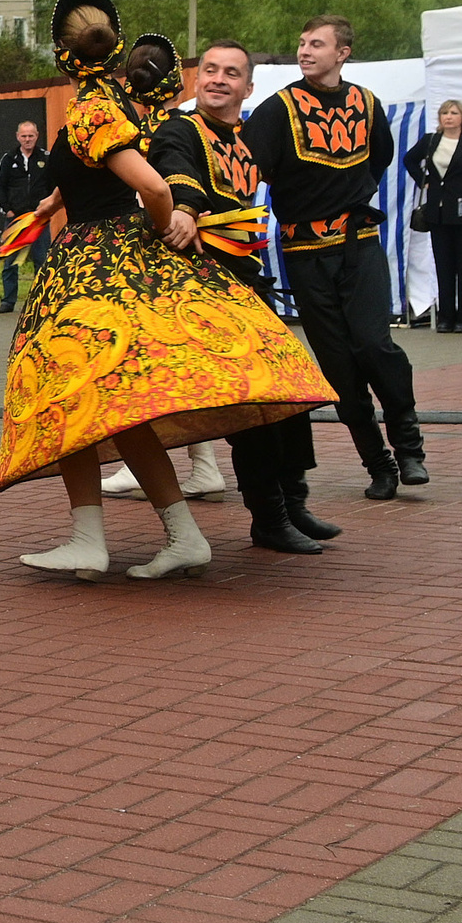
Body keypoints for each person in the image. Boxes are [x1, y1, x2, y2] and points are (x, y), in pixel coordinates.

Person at [2, 0, 333, 580]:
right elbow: (94, 177)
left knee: (74, 396)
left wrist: (163, 231)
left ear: (62, 55)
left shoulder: (93, 109)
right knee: (112, 409)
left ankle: (103, 537)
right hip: (103, 258)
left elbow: (152, 187)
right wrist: (62, 200)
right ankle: (163, 535)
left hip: (94, 268)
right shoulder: (120, 103)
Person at [150, 40, 344, 554]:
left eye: (230, 73)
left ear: (247, 87)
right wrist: (186, 208)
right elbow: (175, 171)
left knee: (292, 388)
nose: (217, 79)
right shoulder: (180, 129)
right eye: (209, 70)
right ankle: (269, 516)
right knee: (253, 401)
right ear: (197, 80)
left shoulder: (249, 137)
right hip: (202, 290)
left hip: (247, 284)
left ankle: (294, 502)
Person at [242, 14, 425, 500]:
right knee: (338, 364)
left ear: (342, 53)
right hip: (304, 253)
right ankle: (378, 463)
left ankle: (409, 446)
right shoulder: (277, 109)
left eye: (316, 44)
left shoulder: (367, 103)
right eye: (302, 43)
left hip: (357, 243)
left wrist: (350, 193)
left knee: (373, 344)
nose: (305, 51)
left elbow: (380, 157)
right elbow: (245, 168)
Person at [404, 100, 462, 334]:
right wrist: (423, 181)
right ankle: (446, 317)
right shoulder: (431, 140)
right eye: (444, 113)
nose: (448, 117)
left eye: (453, 113)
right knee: (444, 268)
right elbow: (409, 160)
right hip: (439, 213)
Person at [0, 120, 50, 314]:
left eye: (31, 136)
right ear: (18, 137)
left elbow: (54, 184)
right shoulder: (9, 158)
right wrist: (7, 210)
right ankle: (8, 301)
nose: (27, 139)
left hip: (39, 218)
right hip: (15, 220)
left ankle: (40, 302)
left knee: (42, 261)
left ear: (37, 136)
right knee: (10, 262)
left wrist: (48, 207)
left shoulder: (46, 158)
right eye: (24, 136)